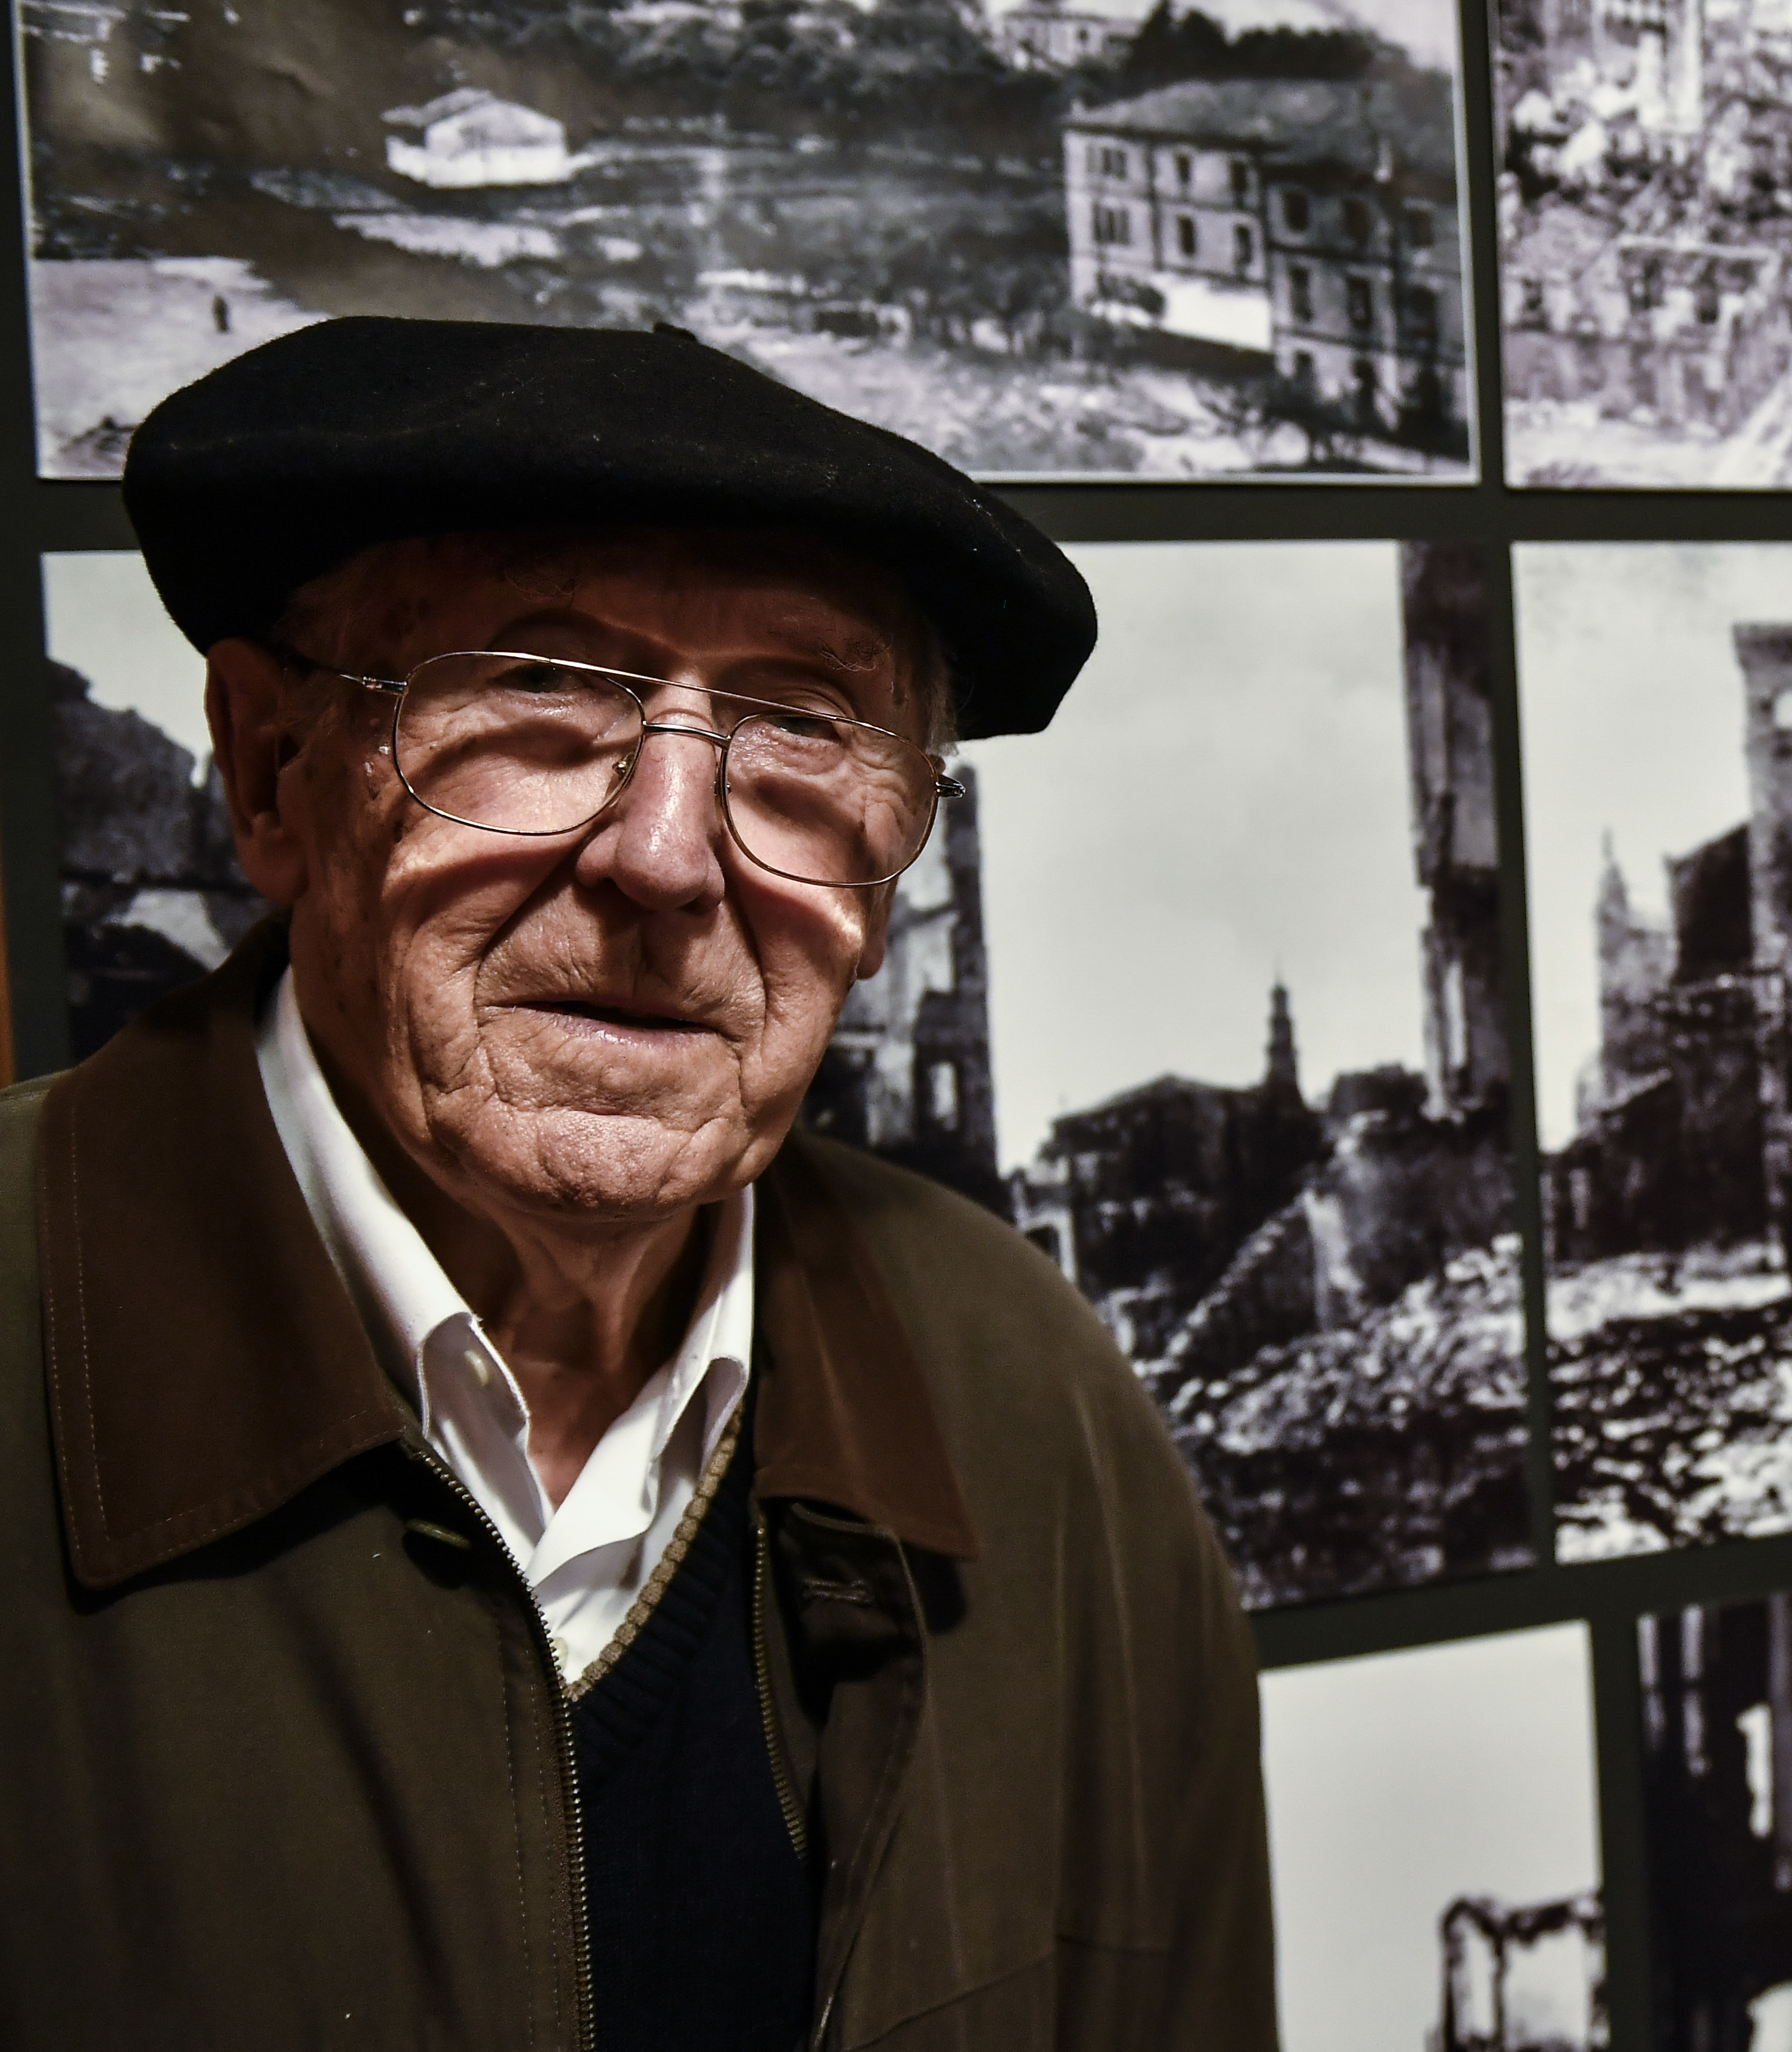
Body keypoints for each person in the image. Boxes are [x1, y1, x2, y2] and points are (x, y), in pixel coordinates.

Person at [0, 319, 1278, 2048]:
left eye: (802, 729)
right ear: (272, 770)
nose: (669, 858)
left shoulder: (1037, 1409)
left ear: (892, 878)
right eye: (538, 691)